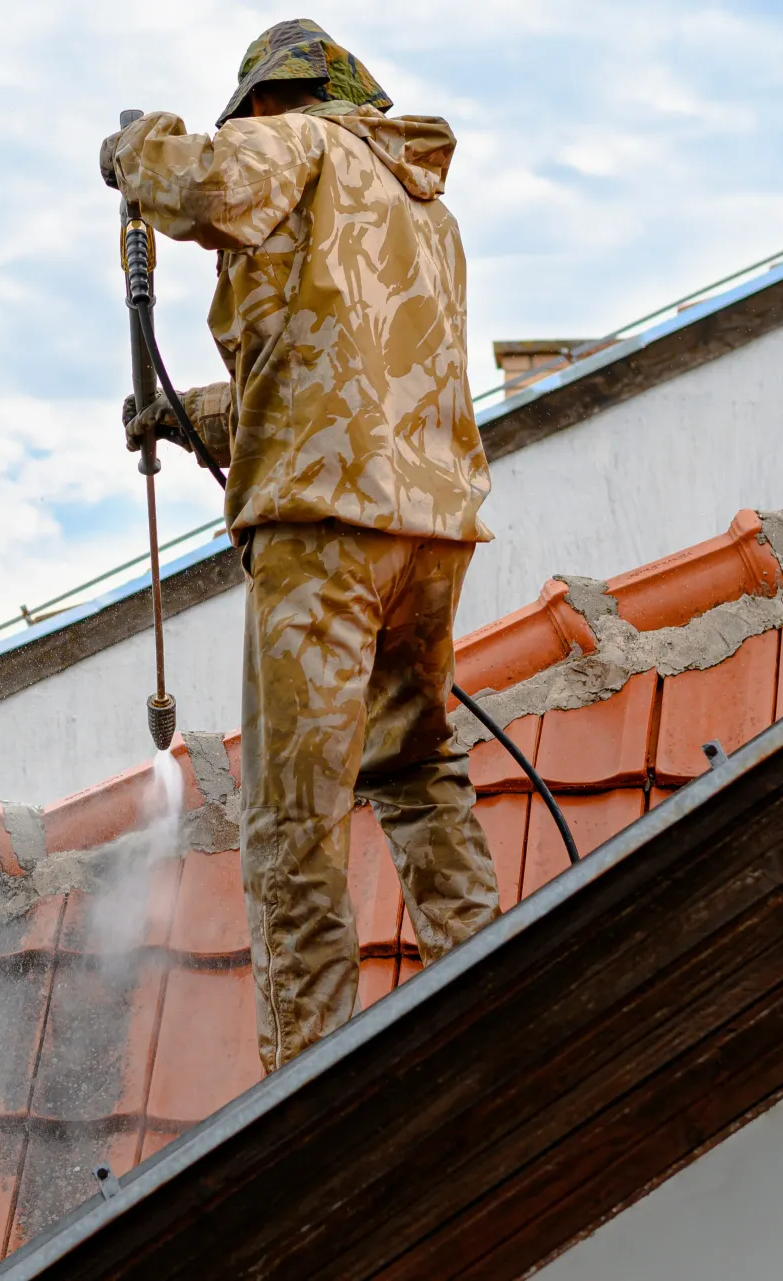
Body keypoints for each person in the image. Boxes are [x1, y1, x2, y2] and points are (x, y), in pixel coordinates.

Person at [100, 19, 499, 1072]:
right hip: (429, 531)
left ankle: (308, 1083)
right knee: (415, 768)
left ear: (277, 101)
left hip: (323, 543)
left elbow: (194, 185)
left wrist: (132, 152)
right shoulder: (424, 207)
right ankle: (496, 986)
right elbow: (337, 379)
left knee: (293, 822)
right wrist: (193, 418)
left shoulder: (300, 144)